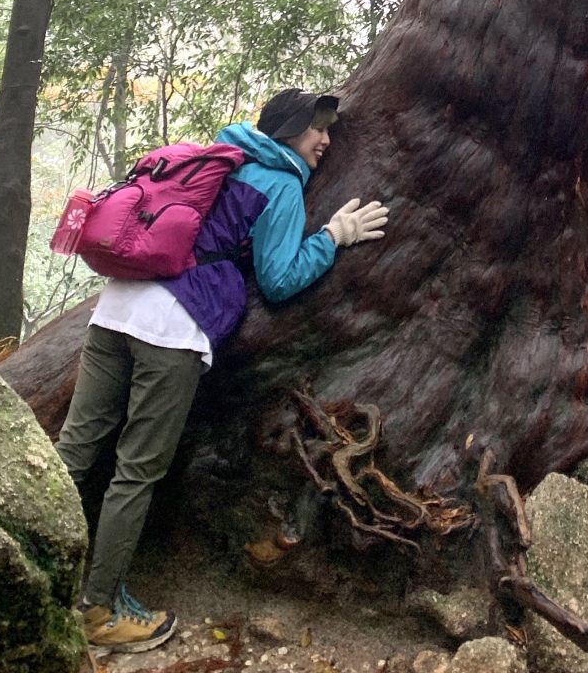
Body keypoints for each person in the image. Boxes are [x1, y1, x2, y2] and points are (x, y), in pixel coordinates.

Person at [56, 89, 388, 654]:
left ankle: (20, 562)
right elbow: (279, 280)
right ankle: (99, 610)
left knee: (75, 449)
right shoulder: (279, 183)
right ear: (288, 132)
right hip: (172, 326)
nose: (325, 141)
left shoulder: (220, 154)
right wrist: (333, 235)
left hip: (114, 310)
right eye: (317, 130)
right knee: (136, 472)